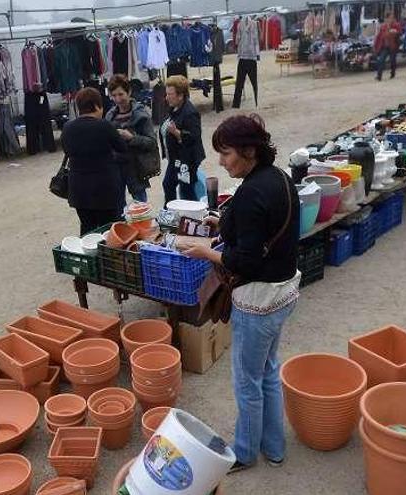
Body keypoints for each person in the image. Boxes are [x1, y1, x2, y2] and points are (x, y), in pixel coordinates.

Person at [183, 114, 300, 473]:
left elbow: (244, 261)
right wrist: (224, 222)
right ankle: (275, 446)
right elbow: (263, 229)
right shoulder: (277, 176)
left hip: (258, 302)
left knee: (247, 381)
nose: (220, 161)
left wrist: (205, 251)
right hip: (284, 292)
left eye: (226, 153)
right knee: (267, 370)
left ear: (250, 151)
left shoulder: (250, 193)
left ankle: (245, 453)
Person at [61, 87, 127, 235]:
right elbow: (122, 148)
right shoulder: (104, 126)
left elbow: (67, 151)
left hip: (79, 191)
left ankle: (88, 256)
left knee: (87, 230)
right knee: (110, 232)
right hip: (105, 189)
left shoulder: (67, 128)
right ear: (97, 106)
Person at [105, 75, 158, 203]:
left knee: (140, 204)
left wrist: (131, 138)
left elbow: (151, 142)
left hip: (135, 167)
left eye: (120, 94)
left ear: (128, 92)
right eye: (114, 95)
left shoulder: (141, 115)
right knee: (118, 205)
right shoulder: (110, 116)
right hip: (116, 166)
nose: (118, 99)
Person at [160, 75, 206, 206]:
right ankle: (172, 213)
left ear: (180, 95)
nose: (167, 97)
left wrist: (177, 133)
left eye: (170, 94)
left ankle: (192, 216)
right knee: (168, 184)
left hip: (187, 159)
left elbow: (195, 137)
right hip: (176, 159)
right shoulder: (173, 108)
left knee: (186, 191)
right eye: (166, 94)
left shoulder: (190, 113)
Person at [374, 13, 402, 81]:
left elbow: (400, 32)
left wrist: (395, 32)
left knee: (392, 61)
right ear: (386, 19)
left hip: (393, 46)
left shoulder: (396, 25)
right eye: (390, 18)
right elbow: (379, 36)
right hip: (385, 46)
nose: (391, 19)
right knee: (381, 60)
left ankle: (392, 73)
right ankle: (379, 76)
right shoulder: (383, 26)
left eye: (392, 18)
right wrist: (376, 44)